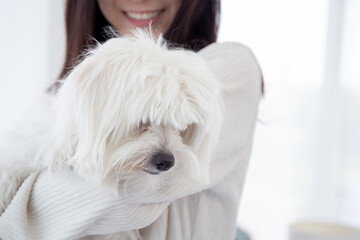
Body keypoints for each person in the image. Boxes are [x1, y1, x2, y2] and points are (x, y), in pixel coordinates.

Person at [0, 0, 263, 239]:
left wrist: (22, 211)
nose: (140, 0)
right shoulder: (66, 96)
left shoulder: (228, 69)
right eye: (142, 122)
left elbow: (122, 200)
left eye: (180, 128)